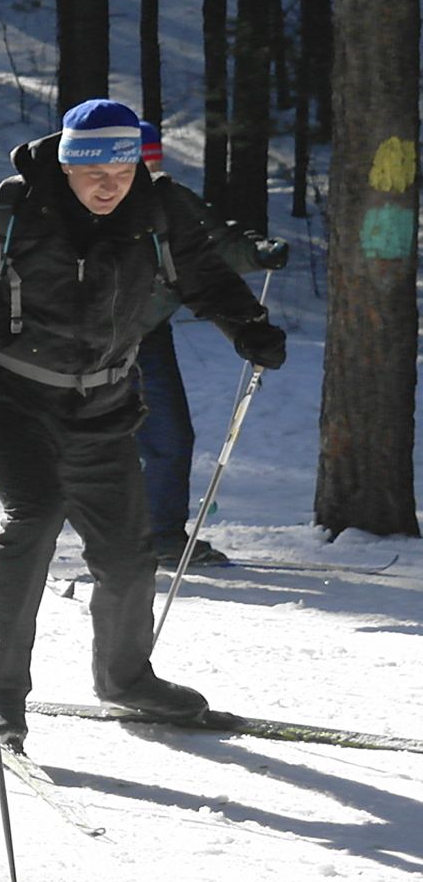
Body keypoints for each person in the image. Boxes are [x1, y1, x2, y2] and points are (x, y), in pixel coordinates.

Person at [0, 99, 288, 752]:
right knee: (36, 518)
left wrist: (247, 325)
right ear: (69, 164)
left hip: (104, 407)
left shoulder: (158, 210)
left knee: (129, 554)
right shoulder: (11, 208)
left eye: (124, 168)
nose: (111, 182)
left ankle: (126, 679)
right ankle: (3, 695)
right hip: (13, 399)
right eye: (95, 169)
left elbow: (205, 274)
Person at [133, 121, 289, 569]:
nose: (150, 170)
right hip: (83, 339)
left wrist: (257, 252)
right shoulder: (80, 204)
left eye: (155, 160)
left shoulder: (167, 197)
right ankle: (72, 532)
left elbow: (213, 244)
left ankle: (161, 535)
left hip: (147, 336)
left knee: (168, 435)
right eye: (142, 159)